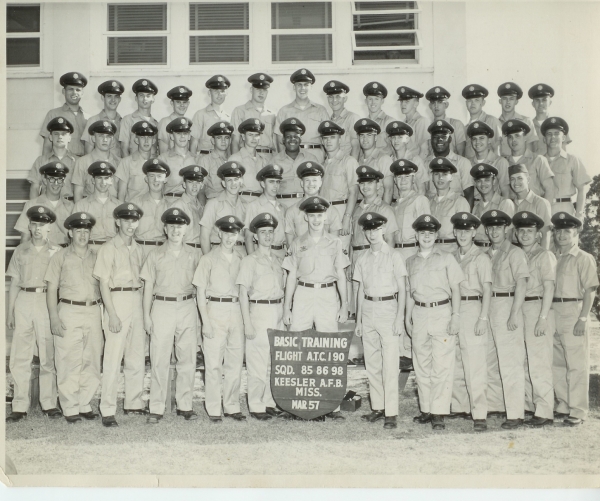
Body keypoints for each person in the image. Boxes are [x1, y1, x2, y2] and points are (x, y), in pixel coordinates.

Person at [282, 196, 350, 421]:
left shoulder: (335, 242)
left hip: (327, 295)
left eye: (320, 215)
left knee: (329, 347)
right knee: (297, 345)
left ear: (325, 217)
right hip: (303, 293)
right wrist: (287, 307)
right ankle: (297, 403)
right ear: (306, 217)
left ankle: (331, 405)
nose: (316, 220)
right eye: (312, 216)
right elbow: (291, 277)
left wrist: (344, 304)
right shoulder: (298, 242)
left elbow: (341, 275)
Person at [141, 208, 201, 424]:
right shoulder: (155, 254)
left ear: (186, 229)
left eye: (180, 226)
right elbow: (148, 286)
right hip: (162, 306)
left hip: (186, 306)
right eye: (172, 226)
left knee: (187, 358)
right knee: (159, 359)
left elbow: (200, 288)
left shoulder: (194, 254)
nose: (176, 230)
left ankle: (184, 405)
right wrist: (147, 316)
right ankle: (156, 407)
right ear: (165, 229)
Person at [405, 214, 464, 430]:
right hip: (419, 313)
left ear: (436, 235)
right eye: (422, 233)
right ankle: (426, 409)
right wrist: (407, 319)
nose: (426, 237)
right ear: (416, 236)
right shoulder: (410, 262)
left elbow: (456, 289)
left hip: (441, 312)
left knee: (441, 364)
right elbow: (410, 294)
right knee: (421, 365)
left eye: (430, 233)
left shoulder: (447, 258)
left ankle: (439, 411)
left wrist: (455, 316)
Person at [45, 211, 103, 423]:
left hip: (93, 310)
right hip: (68, 310)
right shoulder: (60, 256)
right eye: (78, 231)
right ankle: (69, 406)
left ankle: (84, 402)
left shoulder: (97, 255)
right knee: (68, 359)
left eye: (86, 231)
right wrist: (54, 318)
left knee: (92, 359)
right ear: (70, 232)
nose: (82, 235)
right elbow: (51, 289)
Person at [6, 206, 62, 423]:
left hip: (46, 302)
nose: (38, 228)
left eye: (43, 224)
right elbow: (14, 284)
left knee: (48, 353)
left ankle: (48, 402)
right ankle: (19, 404)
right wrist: (10, 312)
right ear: (29, 226)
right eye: (35, 224)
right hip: (24, 301)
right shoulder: (21, 250)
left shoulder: (57, 252)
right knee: (21, 354)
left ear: (50, 228)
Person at [93, 202, 146, 427]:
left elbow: (143, 282)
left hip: (136, 300)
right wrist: (112, 314)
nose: (130, 224)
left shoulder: (139, 248)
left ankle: (133, 403)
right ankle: (107, 409)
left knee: (135, 355)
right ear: (117, 222)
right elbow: (103, 284)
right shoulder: (108, 248)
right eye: (126, 220)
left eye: (134, 220)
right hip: (117, 300)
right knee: (113, 358)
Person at [354, 212, 406, 430]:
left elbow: (403, 288)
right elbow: (359, 291)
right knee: (372, 362)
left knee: (390, 363)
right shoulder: (362, 258)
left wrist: (399, 317)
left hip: (388, 309)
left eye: (376, 229)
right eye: (368, 230)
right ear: (364, 233)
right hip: (368, 310)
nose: (372, 234)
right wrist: (358, 320)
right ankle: (378, 407)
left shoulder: (394, 255)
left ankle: (391, 412)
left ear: (383, 230)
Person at [193, 215, 246, 422]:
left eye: (233, 234)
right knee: (213, 363)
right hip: (214, 309)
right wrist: (205, 321)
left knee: (234, 362)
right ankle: (214, 407)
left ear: (238, 235)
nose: (229, 238)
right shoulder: (208, 259)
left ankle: (232, 405)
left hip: (236, 310)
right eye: (226, 233)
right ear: (219, 234)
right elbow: (200, 292)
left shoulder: (242, 259)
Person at [481, 209, 529, 429]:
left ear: (506, 229)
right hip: (488, 307)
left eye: (498, 227)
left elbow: (521, 283)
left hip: (506, 304)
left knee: (510, 362)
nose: (494, 231)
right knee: (490, 361)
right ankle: (498, 406)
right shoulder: (485, 254)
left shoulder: (514, 253)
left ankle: (516, 413)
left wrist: (514, 313)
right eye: (490, 228)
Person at [236, 213, 286, 420]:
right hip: (259, 311)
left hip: (277, 311)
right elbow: (242, 292)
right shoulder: (249, 261)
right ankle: (256, 405)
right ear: (255, 236)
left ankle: (269, 401)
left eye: (270, 232)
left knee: (274, 361)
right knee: (257, 361)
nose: (267, 236)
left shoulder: (278, 260)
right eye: (263, 232)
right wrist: (247, 322)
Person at [551, 211, 599, 427]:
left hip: (573, 310)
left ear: (576, 233)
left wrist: (583, 318)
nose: (562, 235)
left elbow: (590, 290)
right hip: (554, 311)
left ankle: (578, 410)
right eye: (558, 231)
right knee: (557, 362)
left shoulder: (583, 258)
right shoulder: (553, 257)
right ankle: (564, 403)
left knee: (577, 364)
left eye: (567, 231)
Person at [512, 211, 556, 428]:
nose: (525, 235)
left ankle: (545, 410)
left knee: (540, 361)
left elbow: (549, 287)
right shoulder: (518, 255)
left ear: (538, 234)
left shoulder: (544, 255)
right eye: (521, 231)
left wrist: (543, 317)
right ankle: (531, 406)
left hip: (538, 306)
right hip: (521, 308)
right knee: (525, 360)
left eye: (530, 231)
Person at [449, 212, 492, 432]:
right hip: (453, 309)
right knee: (455, 359)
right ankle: (459, 406)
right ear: (454, 232)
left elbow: (487, 289)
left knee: (474, 363)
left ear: (474, 232)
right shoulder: (451, 256)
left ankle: (480, 414)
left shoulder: (481, 257)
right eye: (459, 230)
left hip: (473, 307)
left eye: (467, 230)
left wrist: (483, 317)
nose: (463, 234)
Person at [390, 159, 430, 371]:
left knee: (413, 298)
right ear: (395, 180)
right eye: (399, 177)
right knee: (400, 299)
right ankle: (403, 350)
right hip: (397, 252)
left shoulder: (419, 200)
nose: (403, 181)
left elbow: (425, 230)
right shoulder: (395, 204)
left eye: (407, 177)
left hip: (413, 250)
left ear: (413, 178)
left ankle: (415, 349)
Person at [350, 167, 397, 313]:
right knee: (358, 303)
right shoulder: (357, 210)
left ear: (378, 185)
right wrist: (351, 261)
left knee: (375, 302)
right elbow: (353, 239)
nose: (366, 187)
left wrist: (385, 265)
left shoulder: (385, 209)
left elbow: (390, 240)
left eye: (370, 183)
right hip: (358, 259)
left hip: (376, 260)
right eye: (362, 183)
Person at [319, 120, 360, 254]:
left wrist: (347, 218)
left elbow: (353, 192)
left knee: (341, 255)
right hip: (325, 213)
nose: (328, 141)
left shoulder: (349, 161)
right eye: (325, 138)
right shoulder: (323, 165)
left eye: (332, 137)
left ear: (340, 139)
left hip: (341, 211)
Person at [275, 68, 329, 162]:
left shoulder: (321, 110)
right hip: (292, 157)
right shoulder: (284, 111)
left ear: (311, 87)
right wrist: (284, 160)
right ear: (294, 87)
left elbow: (328, 137)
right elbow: (280, 141)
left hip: (316, 156)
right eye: (299, 85)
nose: (302, 88)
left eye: (306, 85)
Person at [541, 117, 591, 216]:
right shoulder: (538, 162)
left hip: (565, 209)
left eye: (556, 134)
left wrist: (579, 214)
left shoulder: (572, 160)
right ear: (544, 139)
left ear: (563, 138)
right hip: (543, 210)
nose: (553, 137)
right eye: (549, 134)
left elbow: (581, 189)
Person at [16, 162, 74, 248]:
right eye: (52, 179)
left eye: (60, 179)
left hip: (64, 253)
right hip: (42, 253)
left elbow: (75, 237)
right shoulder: (32, 205)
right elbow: (25, 238)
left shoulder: (71, 206)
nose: (56, 183)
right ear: (45, 181)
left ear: (63, 182)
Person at [284, 161, 342, 246]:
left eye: (314, 180)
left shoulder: (331, 210)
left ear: (320, 183)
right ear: (301, 183)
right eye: (307, 180)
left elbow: (335, 243)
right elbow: (290, 245)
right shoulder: (292, 211)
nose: (311, 184)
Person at [199, 161, 247, 258]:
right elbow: (204, 236)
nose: (233, 183)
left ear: (241, 182)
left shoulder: (246, 206)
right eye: (229, 180)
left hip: (241, 255)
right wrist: (209, 261)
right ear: (223, 183)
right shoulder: (213, 204)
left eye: (236, 179)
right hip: (219, 254)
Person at [502, 119, 555, 205]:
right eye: (510, 137)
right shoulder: (504, 163)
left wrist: (543, 213)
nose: (513, 140)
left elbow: (550, 189)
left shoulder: (538, 160)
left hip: (534, 211)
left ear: (525, 138)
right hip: (512, 212)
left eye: (517, 136)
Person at [424, 120, 474, 207]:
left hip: (455, 214)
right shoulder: (424, 164)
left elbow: (469, 196)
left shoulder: (463, 163)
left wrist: (465, 219)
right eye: (435, 137)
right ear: (430, 140)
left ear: (450, 139)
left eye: (443, 137)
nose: (439, 140)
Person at [271, 118, 319, 208]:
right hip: (282, 205)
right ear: (283, 140)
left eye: (296, 136)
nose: (292, 139)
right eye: (288, 137)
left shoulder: (311, 159)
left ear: (300, 139)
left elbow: (317, 186)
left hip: (305, 205)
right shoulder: (274, 161)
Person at [72, 161, 120, 248]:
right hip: (90, 249)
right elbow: (75, 235)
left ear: (111, 181)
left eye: (106, 178)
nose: (103, 182)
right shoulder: (81, 205)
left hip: (113, 250)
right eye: (99, 178)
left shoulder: (119, 205)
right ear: (93, 180)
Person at [427, 157, 470, 254]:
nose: (440, 178)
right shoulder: (428, 203)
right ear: (432, 177)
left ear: (451, 177)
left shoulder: (460, 202)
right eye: (436, 174)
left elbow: (465, 234)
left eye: (444, 174)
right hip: (431, 251)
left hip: (452, 252)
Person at [244, 165, 287, 259]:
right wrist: (253, 260)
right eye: (271, 182)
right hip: (263, 255)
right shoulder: (254, 206)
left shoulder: (282, 207)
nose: (275, 185)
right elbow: (248, 238)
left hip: (282, 255)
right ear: (263, 184)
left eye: (277, 182)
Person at [130, 159, 171, 257]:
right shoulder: (135, 204)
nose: (155, 180)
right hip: (139, 252)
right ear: (146, 179)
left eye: (159, 176)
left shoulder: (170, 207)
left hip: (162, 253)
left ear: (165, 179)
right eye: (152, 176)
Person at [40, 72, 87, 157]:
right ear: (63, 91)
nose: (74, 93)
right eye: (70, 89)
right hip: (60, 162)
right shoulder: (53, 114)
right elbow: (47, 146)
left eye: (78, 90)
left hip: (81, 163)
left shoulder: (89, 118)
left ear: (82, 93)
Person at [28, 117, 76, 200]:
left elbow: (81, 190)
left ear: (69, 138)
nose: (60, 137)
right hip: (47, 206)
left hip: (70, 207)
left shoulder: (77, 161)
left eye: (64, 134)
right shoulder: (41, 161)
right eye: (56, 134)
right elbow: (34, 188)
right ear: (50, 137)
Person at [72, 120, 120, 202]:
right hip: (90, 208)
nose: (105, 140)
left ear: (112, 139)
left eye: (108, 136)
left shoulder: (120, 162)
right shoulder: (82, 162)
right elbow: (78, 194)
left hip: (113, 209)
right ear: (93, 138)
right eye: (101, 136)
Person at [231, 73, 276, 158]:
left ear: (267, 92)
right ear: (251, 90)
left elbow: (277, 143)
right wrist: (236, 162)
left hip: (268, 158)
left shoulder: (272, 114)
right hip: (246, 157)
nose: (261, 92)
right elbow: (235, 140)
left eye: (264, 89)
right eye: (258, 89)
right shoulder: (240, 111)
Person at [470, 163, 515, 248]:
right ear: (475, 184)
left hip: (495, 252)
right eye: (479, 181)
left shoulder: (505, 203)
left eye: (487, 180)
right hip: (477, 253)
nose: (483, 184)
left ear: (494, 181)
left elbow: (508, 236)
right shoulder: (476, 207)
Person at [509, 164, 552, 249]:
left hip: (534, 250)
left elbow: (545, 234)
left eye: (520, 178)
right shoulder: (510, 204)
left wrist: (542, 256)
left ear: (528, 179)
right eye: (512, 179)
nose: (516, 182)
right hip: (514, 251)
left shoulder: (540, 203)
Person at [228, 118, 270, 202]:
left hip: (260, 202)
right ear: (243, 137)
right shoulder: (235, 159)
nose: (254, 138)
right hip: (243, 201)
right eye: (250, 135)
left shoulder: (263, 161)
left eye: (256, 135)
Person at [115, 121, 159, 202]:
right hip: (132, 209)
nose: (146, 141)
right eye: (142, 137)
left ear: (153, 141)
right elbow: (121, 193)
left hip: (152, 210)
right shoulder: (126, 162)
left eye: (149, 137)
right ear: (136, 140)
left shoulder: (158, 163)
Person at [466, 121, 510, 198]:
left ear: (489, 140)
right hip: (474, 207)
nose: (477, 142)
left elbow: (506, 191)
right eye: (474, 139)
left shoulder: (500, 162)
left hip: (494, 207)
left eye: (481, 138)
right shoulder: (468, 163)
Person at [82, 80, 124, 159]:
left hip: (118, 167)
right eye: (109, 96)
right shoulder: (93, 121)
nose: (113, 100)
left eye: (116, 96)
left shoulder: (124, 122)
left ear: (120, 99)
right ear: (102, 97)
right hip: (98, 168)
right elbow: (88, 152)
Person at [190, 75, 231, 157]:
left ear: (226, 93)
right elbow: (194, 143)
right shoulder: (200, 114)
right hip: (205, 157)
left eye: (222, 91)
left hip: (223, 159)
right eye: (216, 91)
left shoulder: (228, 117)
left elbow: (229, 146)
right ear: (209, 93)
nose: (219, 94)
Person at [157, 117, 198, 199]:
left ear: (189, 136)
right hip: (171, 202)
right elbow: (157, 188)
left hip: (191, 204)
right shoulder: (163, 159)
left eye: (185, 133)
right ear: (172, 136)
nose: (182, 136)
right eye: (178, 133)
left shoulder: (196, 159)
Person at [355, 119, 394, 203]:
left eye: (369, 135)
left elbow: (389, 189)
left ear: (375, 137)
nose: (365, 139)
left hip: (377, 207)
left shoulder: (383, 159)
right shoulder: (359, 161)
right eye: (362, 135)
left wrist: (384, 212)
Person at [169, 165, 207, 251]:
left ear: (201, 185)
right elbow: (173, 236)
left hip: (199, 252)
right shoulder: (178, 207)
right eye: (190, 182)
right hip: (184, 252)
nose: (194, 186)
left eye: (197, 183)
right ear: (184, 185)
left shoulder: (201, 208)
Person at [119, 79, 159, 158]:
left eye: (148, 95)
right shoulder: (128, 120)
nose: (145, 99)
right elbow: (124, 149)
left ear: (153, 99)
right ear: (136, 99)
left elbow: (156, 150)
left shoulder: (156, 123)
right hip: (134, 166)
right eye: (141, 95)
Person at [528, 84, 572, 156]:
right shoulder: (528, 126)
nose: (541, 103)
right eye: (537, 100)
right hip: (536, 166)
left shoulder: (559, 124)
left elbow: (563, 153)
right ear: (533, 104)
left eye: (544, 100)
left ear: (550, 102)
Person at [386, 121, 428, 196]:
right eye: (393, 137)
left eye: (400, 137)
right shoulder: (389, 161)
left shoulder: (415, 160)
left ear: (407, 139)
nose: (396, 140)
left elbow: (421, 190)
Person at [462, 84, 502, 160]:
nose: (473, 103)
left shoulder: (492, 121)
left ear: (483, 103)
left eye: (476, 100)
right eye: (470, 100)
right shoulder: (465, 128)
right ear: (466, 104)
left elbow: (498, 149)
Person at [497, 82, 538, 156]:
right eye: (504, 98)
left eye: (511, 99)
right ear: (500, 101)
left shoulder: (526, 121)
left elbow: (530, 152)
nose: (508, 102)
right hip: (502, 165)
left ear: (516, 101)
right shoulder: (495, 123)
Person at [198, 121, 234, 201]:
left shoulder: (234, 160)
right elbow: (201, 191)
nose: (223, 141)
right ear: (213, 141)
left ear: (230, 140)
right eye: (219, 138)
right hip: (213, 204)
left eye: (226, 138)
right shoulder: (205, 160)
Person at [425, 86, 466, 156]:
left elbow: (461, 152)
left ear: (446, 105)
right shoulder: (427, 127)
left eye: (440, 102)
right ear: (430, 106)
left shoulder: (456, 124)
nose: (436, 106)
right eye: (433, 103)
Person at [323, 80, 360, 159]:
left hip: (345, 167)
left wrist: (352, 168)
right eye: (331, 97)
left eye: (338, 96)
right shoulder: (328, 121)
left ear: (345, 99)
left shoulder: (352, 118)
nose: (334, 100)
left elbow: (356, 147)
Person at [158, 86, 193, 154]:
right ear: (172, 103)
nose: (182, 105)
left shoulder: (189, 123)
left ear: (188, 104)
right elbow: (163, 153)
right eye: (178, 102)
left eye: (184, 102)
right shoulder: (164, 122)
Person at [396, 86, 429, 158]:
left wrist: (419, 167)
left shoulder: (421, 121)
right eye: (401, 101)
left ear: (416, 104)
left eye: (407, 101)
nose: (403, 104)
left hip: (415, 165)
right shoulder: (403, 123)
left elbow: (424, 150)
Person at [362, 81, 395, 154]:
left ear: (382, 101)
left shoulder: (389, 122)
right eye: (370, 99)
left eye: (376, 99)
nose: (373, 102)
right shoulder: (363, 124)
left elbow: (396, 149)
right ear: (365, 101)